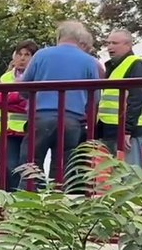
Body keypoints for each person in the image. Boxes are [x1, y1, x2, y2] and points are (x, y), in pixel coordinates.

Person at [15, 21, 101, 190]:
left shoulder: (41, 55)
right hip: (72, 120)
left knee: (30, 166)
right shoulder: (89, 61)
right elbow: (95, 97)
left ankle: (25, 208)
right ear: (80, 39)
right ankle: (58, 208)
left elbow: (23, 87)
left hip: (40, 116)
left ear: (59, 36)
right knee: (62, 168)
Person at [100, 30, 142, 167]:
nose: (109, 47)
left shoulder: (135, 64)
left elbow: (138, 98)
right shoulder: (114, 66)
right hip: (111, 130)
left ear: (128, 45)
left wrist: (127, 130)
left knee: (131, 176)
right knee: (117, 178)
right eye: (108, 43)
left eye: (114, 43)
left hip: (127, 132)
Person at [0, 40, 37, 191]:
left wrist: (11, 99)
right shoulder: (5, 78)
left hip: (27, 131)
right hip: (6, 131)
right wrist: (20, 98)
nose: (22, 58)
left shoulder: (37, 78)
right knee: (7, 168)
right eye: (19, 54)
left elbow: (34, 102)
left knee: (25, 168)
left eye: (27, 55)